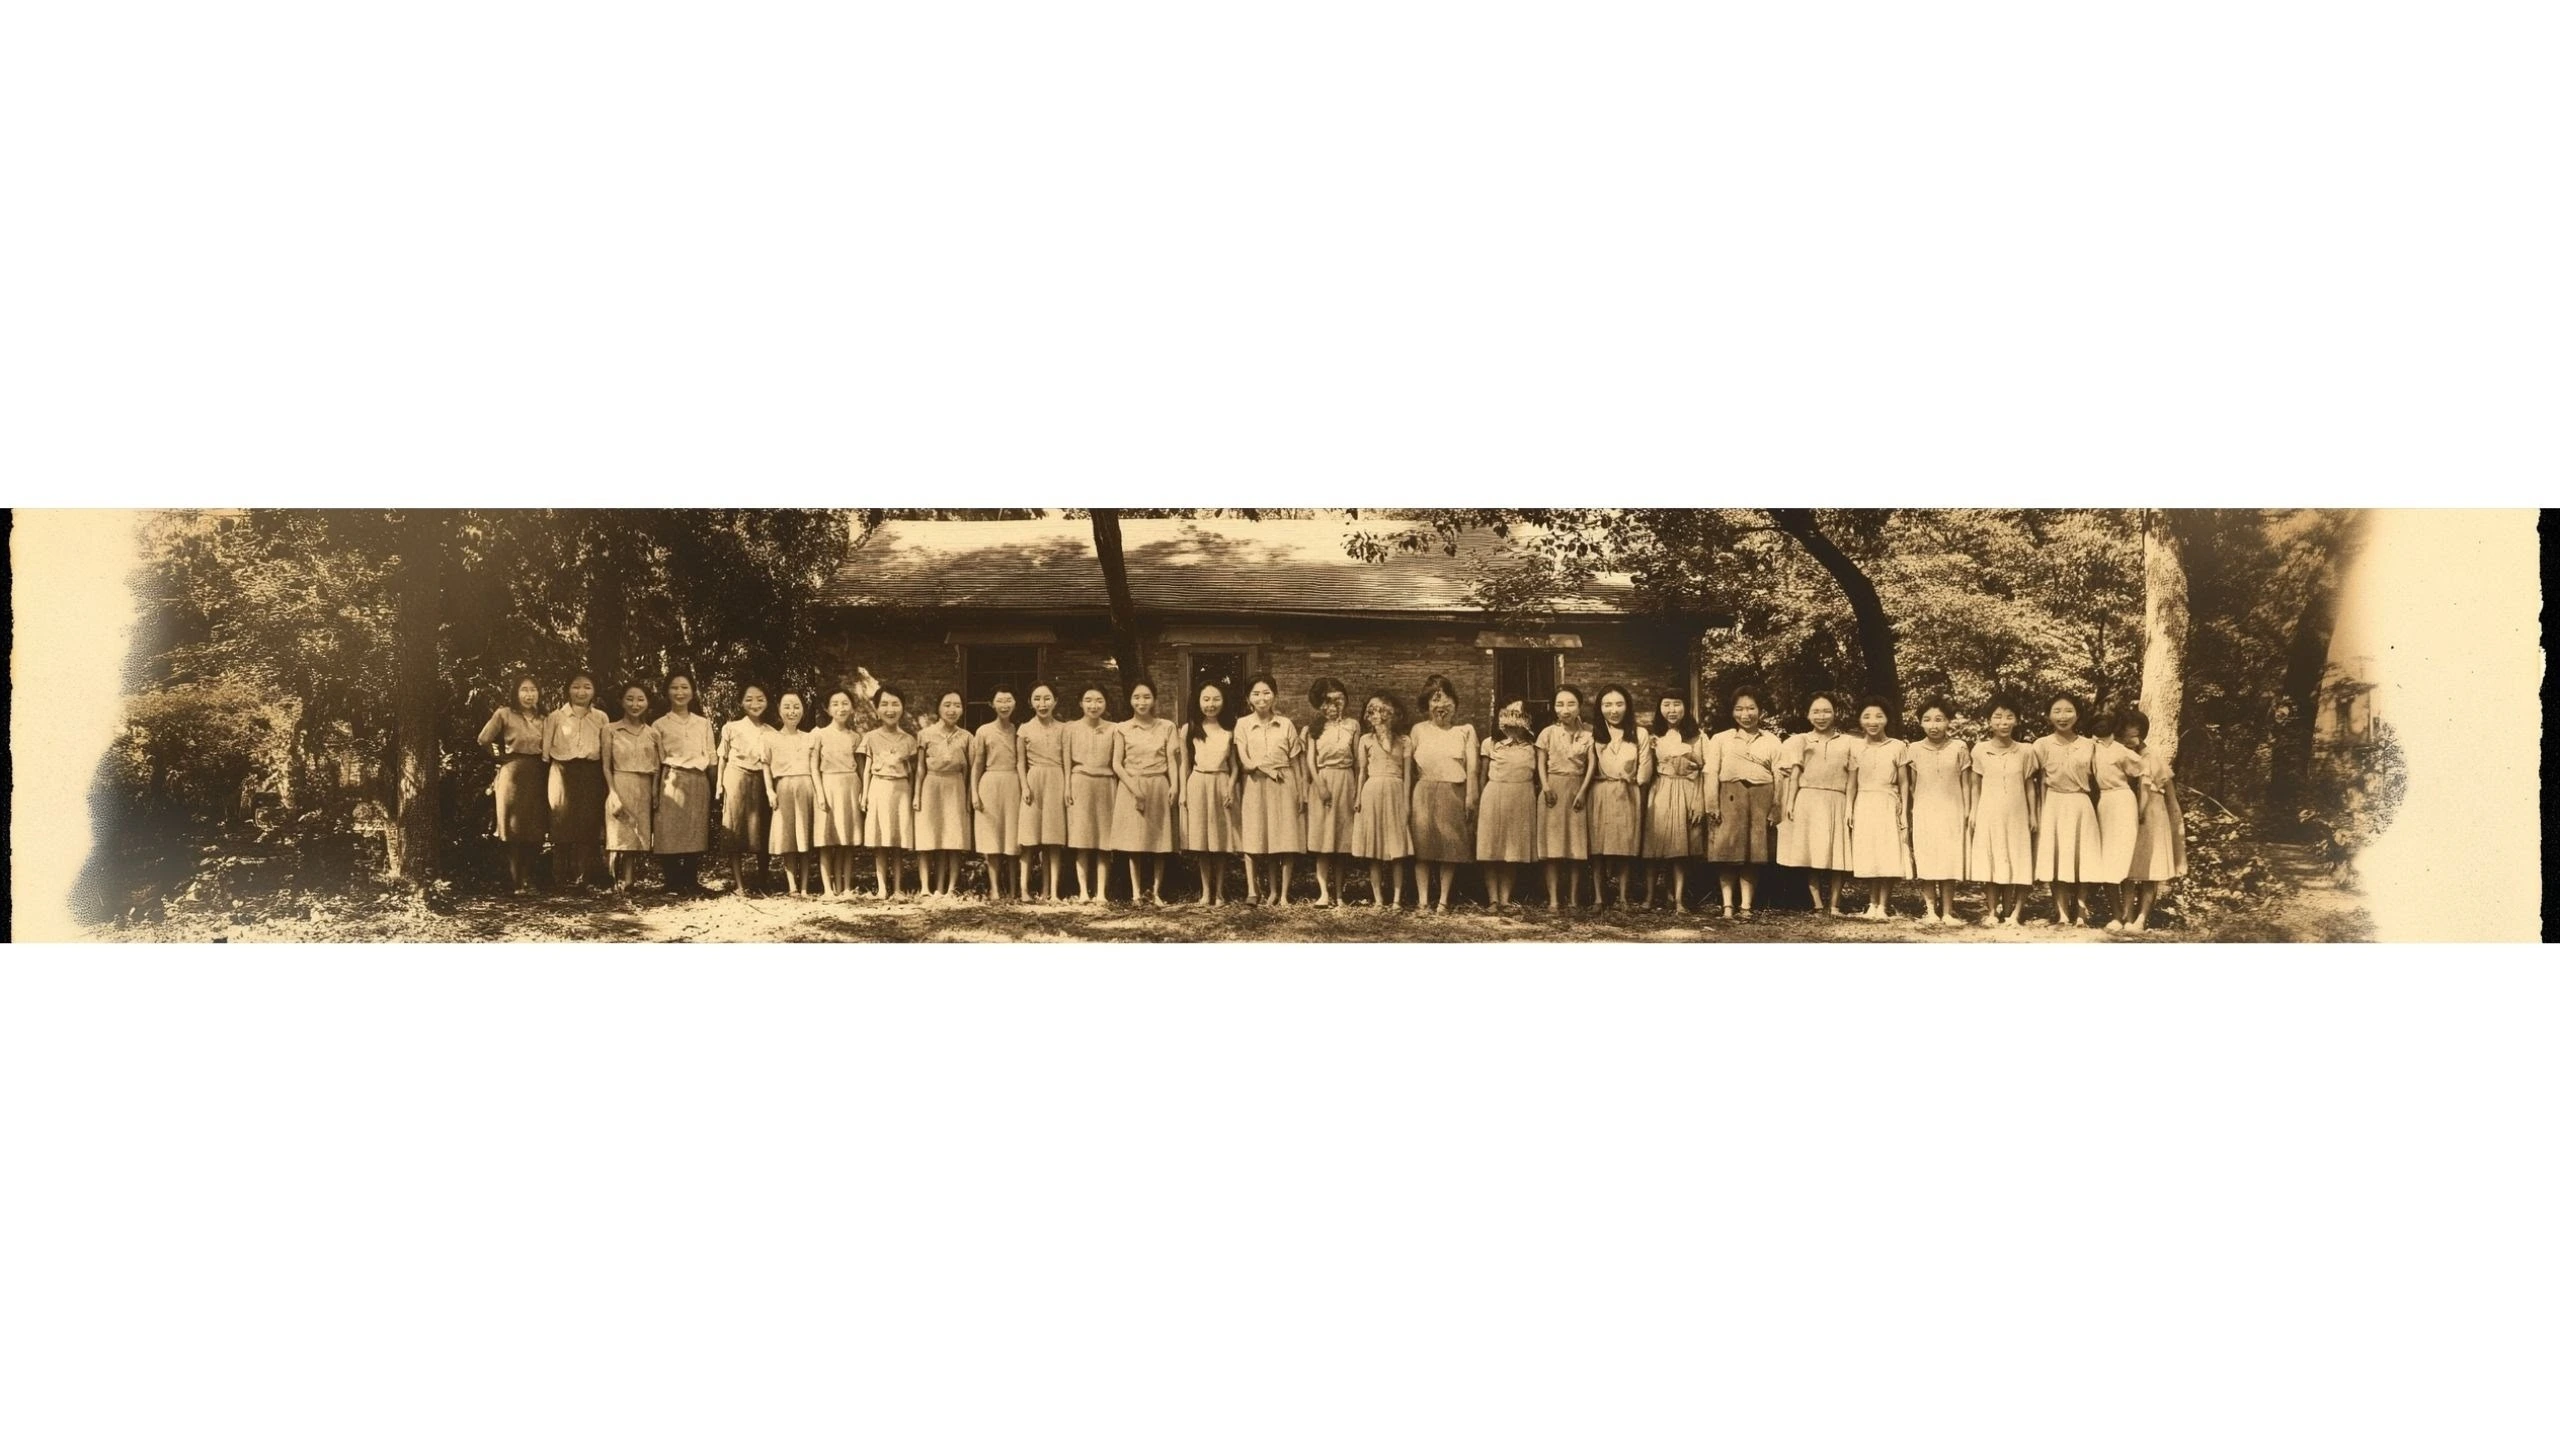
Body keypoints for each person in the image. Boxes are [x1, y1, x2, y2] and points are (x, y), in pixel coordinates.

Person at [1703, 686, 1781, 921]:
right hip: (1729, 798)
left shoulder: (1772, 740)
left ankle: (1746, 905)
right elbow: (1711, 772)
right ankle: (1727, 905)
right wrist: (1712, 804)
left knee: (1753, 853)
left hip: (1761, 798)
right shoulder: (1721, 739)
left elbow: (1780, 775)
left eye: (1751, 708)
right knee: (1726, 853)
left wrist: (1776, 806)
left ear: (1761, 711)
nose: (1745, 714)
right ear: (1732, 712)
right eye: (1739, 709)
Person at [1777, 693, 1856, 917]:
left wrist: (1850, 807)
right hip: (1808, 800)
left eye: (1827, 711)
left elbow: (1852, 780)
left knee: (1838, 853)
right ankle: (1818, 904)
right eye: (1816, 711)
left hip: (1837, 799)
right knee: (1811, 853)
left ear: (1835, 713)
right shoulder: (1799, 741)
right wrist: (1790, 803)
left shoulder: (1849, 742)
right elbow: (1794, 775)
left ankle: (1835, 905)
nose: (1821, 716)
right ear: (1808, 715)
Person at [1406, 675, 1478, 913]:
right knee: (1422, 849)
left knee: (1450, 847)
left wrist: (1471, 797)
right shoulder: (1418, 730)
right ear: (1427, 705)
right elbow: (1408, 766)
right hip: (1424, 791)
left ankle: (1443, 900)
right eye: (1435, 702)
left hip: (1453, 791)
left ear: (1455, 704)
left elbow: (1472, 768)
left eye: (1447, 702)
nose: (1441, 707)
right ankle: (1423, 901)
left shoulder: (1465, 731)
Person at [2031, 693, 2105, 925]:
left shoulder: (2090, 745)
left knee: (2084, 857)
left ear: (2078, 714)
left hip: (2081, 803)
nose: (2063, 716)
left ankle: (2081, 912)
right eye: (2057, 711)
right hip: (2053, 803)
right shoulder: (2041, 745)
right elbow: (2038, 780)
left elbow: (2099, 780)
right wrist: (2040, 812)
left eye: (2068, 711)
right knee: (2056, 856)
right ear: (2048, 715)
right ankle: (2062, 913)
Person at [1966, 698, 2039, 926]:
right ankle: (1991, 912)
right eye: (1997, 717)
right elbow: (1975, 785)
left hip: (2017, 814)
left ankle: (2013, 914)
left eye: (2009, 717)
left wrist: (2033, 814)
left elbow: (2029, 785)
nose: (2003, 722)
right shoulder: (1980, 750)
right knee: (1992, 859)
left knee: (2017, 858)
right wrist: (1973, 811)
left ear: (2016, 720)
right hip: (1989, 812)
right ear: (1989, 721)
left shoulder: (2026, 750)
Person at [474, 673, 548, 893]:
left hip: (538, 773)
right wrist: (499, 757)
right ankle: (516, 882)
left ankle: (528, 878)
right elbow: (483, 739)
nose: (529, 695)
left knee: (535, 828)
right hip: (512, 773)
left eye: (533, 690)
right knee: (513, 829)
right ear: (516, 692)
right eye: (524, 690)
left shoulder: (545, 717)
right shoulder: (504, 714)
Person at [1234, 674, 1302, 905]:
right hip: (1255, 785)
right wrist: (1267, 769)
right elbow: (1246, 762)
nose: (1261, 698)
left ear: (1275, 696)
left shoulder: (1286, 724)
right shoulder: (1242, 724)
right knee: (1254, 836)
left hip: (1284, 784)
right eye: (1256, 694)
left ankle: (1280, 894)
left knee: (1283, 838)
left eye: (1266, 693)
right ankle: (1252, 891)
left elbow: (1295, 762)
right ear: (1248, 699)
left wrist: (1300, 792)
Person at [1902, 698, 1971, 925]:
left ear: (1948, 721)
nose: (1933, 725)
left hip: (1952, 811)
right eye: (1927, 720)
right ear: (1921, 723)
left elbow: (1966, 783)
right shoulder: (1914, 749)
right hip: (1925, 811)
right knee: (1927, 858)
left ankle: (1948, 912)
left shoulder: (1959, 747)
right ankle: (1930, 911)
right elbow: (1912, 785)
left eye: (1939, 719)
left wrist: (1967, 810)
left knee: (1949, 859)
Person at [1109, 681, 1178, 904]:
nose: (1142, 702)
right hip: (1131, 785)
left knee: (1160, 840)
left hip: (1158, 784)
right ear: (1130, 700)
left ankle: (1156, 892)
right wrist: (1134, 788)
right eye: (1137, 697)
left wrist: (1174, 785)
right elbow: (1117, 763)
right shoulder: (1122, 728)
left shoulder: (1167, 726)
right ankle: (1136, 893)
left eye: (1147, 697)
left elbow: (1172, 760)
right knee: (1134, 841)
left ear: (1154, 699)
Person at [2116, 709, 2186, 931]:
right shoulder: (2119, 755)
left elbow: (2169, 792)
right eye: (2125, 736)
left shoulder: (2153, 757)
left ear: (2142, 734)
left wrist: (2175, 821)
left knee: (2149, 869)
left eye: (2134, 736)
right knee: (2127, 869)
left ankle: (2142, 918)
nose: (2129, 741)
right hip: (2126, 813)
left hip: (2152, 816)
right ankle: (2127, 916)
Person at [542, 671, 611, 889]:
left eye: (587, 687)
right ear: (568, 690)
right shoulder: (555, 717)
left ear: (594, 691)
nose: (581, 692)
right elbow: (545, 752)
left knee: (588, 823)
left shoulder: (601, 718)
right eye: (576, 686)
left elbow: (606, 750)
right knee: (561, 820)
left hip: (591, 773)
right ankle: (559, 878)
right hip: (562, 771)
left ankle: (583, 878)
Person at [1844, 698, 1911, 920]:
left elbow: (1904, 783)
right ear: (1860, 720)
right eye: (1867, 716)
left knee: (1887, 853)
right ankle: (1871, 903)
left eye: (1878, 716)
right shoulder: (1855, 747)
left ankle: (1883, 905)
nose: (1873, 722)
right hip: (1864, 803)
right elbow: (1851, 783)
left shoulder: (1898, 746)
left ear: (1887, 719)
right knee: (1870, 854)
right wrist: (1849, 809)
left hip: (1888, 802)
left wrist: (1903, 812)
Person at [1175, 680, 1241, 906]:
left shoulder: (1230, 730)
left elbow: (1235, 766)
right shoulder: (1189, 729)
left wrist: (1230, 787)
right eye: (1206, 699)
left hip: (1221, 783)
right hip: (1198, 783)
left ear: (1224, 701)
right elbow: (1185, 764)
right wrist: (1183, 792)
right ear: (1198, 701)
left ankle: (1220, 892)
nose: (1211, 704)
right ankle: (1205, 892)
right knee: (1202, 842)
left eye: (1216, 699)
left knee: (1220, 841)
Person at [651, 673, 715, 895]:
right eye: (674, 687)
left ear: (693, 692)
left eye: (685, 687)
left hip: (698, 779)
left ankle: (691, 881)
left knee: (695, 829)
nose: (680, 692)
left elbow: (712, 757)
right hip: (671, 778)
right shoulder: (659, 725)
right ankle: (672, 882)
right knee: (668, 829)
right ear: (667, 692)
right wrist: (655, 790)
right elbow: (656, 761)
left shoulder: (703, 723)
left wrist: (715, 787)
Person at [1587, 684, 1650, 908]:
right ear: (1600, 708)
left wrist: (1634, 779)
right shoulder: (1592, 733)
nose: (1613, 710)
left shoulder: (1639, 733)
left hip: (1627, 793)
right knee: (1597, 847)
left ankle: (1623, 897)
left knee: (1625, 846)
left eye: (1619, 704)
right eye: (1607, 705)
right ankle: (1598, 897)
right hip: (1600, 792)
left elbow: (1645, 768)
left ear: (1627, 706)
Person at [1475, 698, 1540, 909]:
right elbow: (1482, 776)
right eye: (1508, 713)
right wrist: (1479, 802)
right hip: (1494, 797)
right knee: (1491, 849)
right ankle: (1493, 899)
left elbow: (1538, 776)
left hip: (1521, 798)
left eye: (1518, 714)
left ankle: (1505, 898)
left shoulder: (1533, 745)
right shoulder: (1490, 743)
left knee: (1512, 850)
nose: (1513, 719)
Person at [1641, 694, 1704, 911]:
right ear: (1660, 709)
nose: (1672, 710)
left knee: (1680, 848)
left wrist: (1699, 800)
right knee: (1653, 845)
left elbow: (1704, 770)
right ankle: (1649, 897)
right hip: (1660, 790)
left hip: (1687, 789)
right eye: (1666, 705)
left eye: (1677, 704)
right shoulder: (1653, 736)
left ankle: (1678, 899)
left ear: (1685, 707)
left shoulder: (1697, 737)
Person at [1535, 685, 1595, 910]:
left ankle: (1573, 898)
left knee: (1575, 846)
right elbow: (1540, 763)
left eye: (1571, 704)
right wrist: (1546, 787)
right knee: (1552, 848)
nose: (1565, 709)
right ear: (1554, 707)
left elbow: (1591, 765)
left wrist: (1582, 792)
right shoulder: (1547, 733)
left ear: (1579, 706)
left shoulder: (1589, 734)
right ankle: (1553, 898)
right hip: (1553, 790)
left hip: (1577, 790)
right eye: (1560, 704)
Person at [1349, 693, 1412, 908]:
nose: (1379, 716)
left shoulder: (1404, 741)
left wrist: (1407, 803)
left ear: (1394, 714)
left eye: (1384, 711)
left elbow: (1407, 775)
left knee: (1397, 849)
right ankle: (1378, 899)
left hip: (1395, 792)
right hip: (1372, 792)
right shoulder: (1366, 740)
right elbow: (1362, 771)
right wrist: (1358, 797)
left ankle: (1396, 899)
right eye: (1373, 712)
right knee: (1374, 850)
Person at [857, 686, 919, 900]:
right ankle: (882, 888)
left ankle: (899, 889)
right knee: (880, 841)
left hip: (901, 791)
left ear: (903, 708)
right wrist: (864, 794)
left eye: (895, 704)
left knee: (898, 842)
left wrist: (914, 796)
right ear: (876, 709)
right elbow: (866, 769)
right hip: (879, 788)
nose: (890, 709)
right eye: (884, 704)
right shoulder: (870, 737)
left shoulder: (909, 740)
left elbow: (912, 772)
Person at [1300, 679, 1358, 906]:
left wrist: (1357, 791)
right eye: (1329, 701)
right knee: (1324, 842)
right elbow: (1310, 761)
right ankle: (1323, 892)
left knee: (1342, 842)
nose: (1335, 705)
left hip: (1346, 781)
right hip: (1322, 782)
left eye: (1339, 699)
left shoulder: (1353, 725)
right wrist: (1320, 787)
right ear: (1320, 704)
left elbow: (1358, 761)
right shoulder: (1313, 728)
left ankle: (1340, 894)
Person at [603, 682, 662, 893]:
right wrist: (612, 793)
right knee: (617, 832)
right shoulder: (610, 729)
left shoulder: (653, 733)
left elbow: (657, 766)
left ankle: (629, 881)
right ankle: (611, 880)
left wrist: (654, 791)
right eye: (630, 699)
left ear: (647, 703)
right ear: (621, 701)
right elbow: (606, 766)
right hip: (620, 782)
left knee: (636, 835)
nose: (635, 704)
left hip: (644, 786)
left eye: (640, 699)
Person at [915, 691, 975, 897]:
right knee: (928, 837)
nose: (952, 710)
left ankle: (948, 888)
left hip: (955, 787)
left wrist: (968, 797)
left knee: (952, 838)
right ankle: (925, 888)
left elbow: (970, 771)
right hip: (931, 786)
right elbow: (920, 768)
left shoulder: (967, 737)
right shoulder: (925, 734)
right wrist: (917, 795)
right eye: (947, 705)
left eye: (957, 705)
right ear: (938, 708)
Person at [716, 684, 775, 896]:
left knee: (763, 829)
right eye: (749, 699)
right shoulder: (731, 727)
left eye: (760, 699)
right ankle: (739, 885)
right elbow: (722, 758)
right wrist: (719, 785)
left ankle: (763, 880)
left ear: (767, 702)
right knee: (735, 828)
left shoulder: (771, 732)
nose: (755, 704)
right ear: (741, 703)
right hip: (736, 777)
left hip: (761, 780)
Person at [1063, 685, 1120, 902]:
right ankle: (1083, 892)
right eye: (1088, 700)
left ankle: (1101, 893)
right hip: (1080, 783)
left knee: (1104, 841)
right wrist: (1067, 787)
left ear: (1105, 703)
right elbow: (1066, 762)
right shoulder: (1070, 728)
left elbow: (1117, 761)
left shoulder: (1115, 729)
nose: (1093, 705)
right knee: (1082, 839)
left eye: (1098, 701)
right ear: (1080, 703)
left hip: (1106, 784)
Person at [2090, 713, 2146, 929]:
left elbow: (2143, 770)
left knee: (2126, 857)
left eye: (2105, 723)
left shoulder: (2122, 750)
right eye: (2096, 723)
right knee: (2107, 859)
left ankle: (2129, 917)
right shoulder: (2089, 748)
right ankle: (2115, 916)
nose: (2101, 726)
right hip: (2104, 802)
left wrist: (2143, 806)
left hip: (2123, 800)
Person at [970, 687, 1024, 900]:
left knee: (1013, 838)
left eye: (1008, 700)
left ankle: (1013, 889)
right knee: (992, 838)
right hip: (990, 783)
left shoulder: (1019, 730)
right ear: (992, 704)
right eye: (1000, 701)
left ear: (1015, 703)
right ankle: (994, 889)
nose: (1004, 705)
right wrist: (974, 793)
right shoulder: (983, 731)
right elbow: (977, 764)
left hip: (1013, 783)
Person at [762, 692, 818, 896]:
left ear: (803, 710)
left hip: (807, 788)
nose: (792, 712)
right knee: (788, 837)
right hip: (783, 788)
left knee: (804, 836)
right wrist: (770, 791)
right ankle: (792, 886)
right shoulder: (770, 737)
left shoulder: (810, 737)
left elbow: (815, 767)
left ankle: (805, 886)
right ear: (779, 710)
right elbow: (765, 765)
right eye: (787, 707)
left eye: (796, 707)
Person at [812, 688, 865, 899]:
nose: (840, 708)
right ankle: (828, 889)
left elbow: (861, 768)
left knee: (846, 841)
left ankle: (846, 887)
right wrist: (820, 793)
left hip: (850, 787)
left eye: (845, 703)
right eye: (835, 704)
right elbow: (813, 767)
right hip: (828, 786)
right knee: (826, 840)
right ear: (827, 709)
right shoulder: (819, 734)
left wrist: (863, 792)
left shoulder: (855, 737)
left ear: (851, 708)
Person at [1019, 684, 1070, 902]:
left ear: (1055, 701)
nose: (1042, 704)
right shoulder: (1024, 729)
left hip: (1056, 780)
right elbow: (1020, 763)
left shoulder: (1064, 729)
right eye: (1037, 699)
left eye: (1047, 698)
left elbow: (1067, 761)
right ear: (1030, 702)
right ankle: (1024, 890)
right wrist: (1025, 786)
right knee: (1029, 838)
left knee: (1053, 839)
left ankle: (1052, 892)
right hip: (1033, 781)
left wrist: (1067, 786)